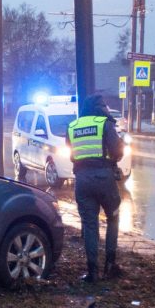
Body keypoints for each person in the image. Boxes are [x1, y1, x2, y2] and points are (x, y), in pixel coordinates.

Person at [66, 93, 124, 283]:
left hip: (82, 180)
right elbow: (117, 152)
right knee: (113, 217)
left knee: (90, 225)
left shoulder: (73, 126)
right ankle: (110, 264)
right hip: (104, 177)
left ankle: (92, 272)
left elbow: (72, 154)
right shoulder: (104, 123)